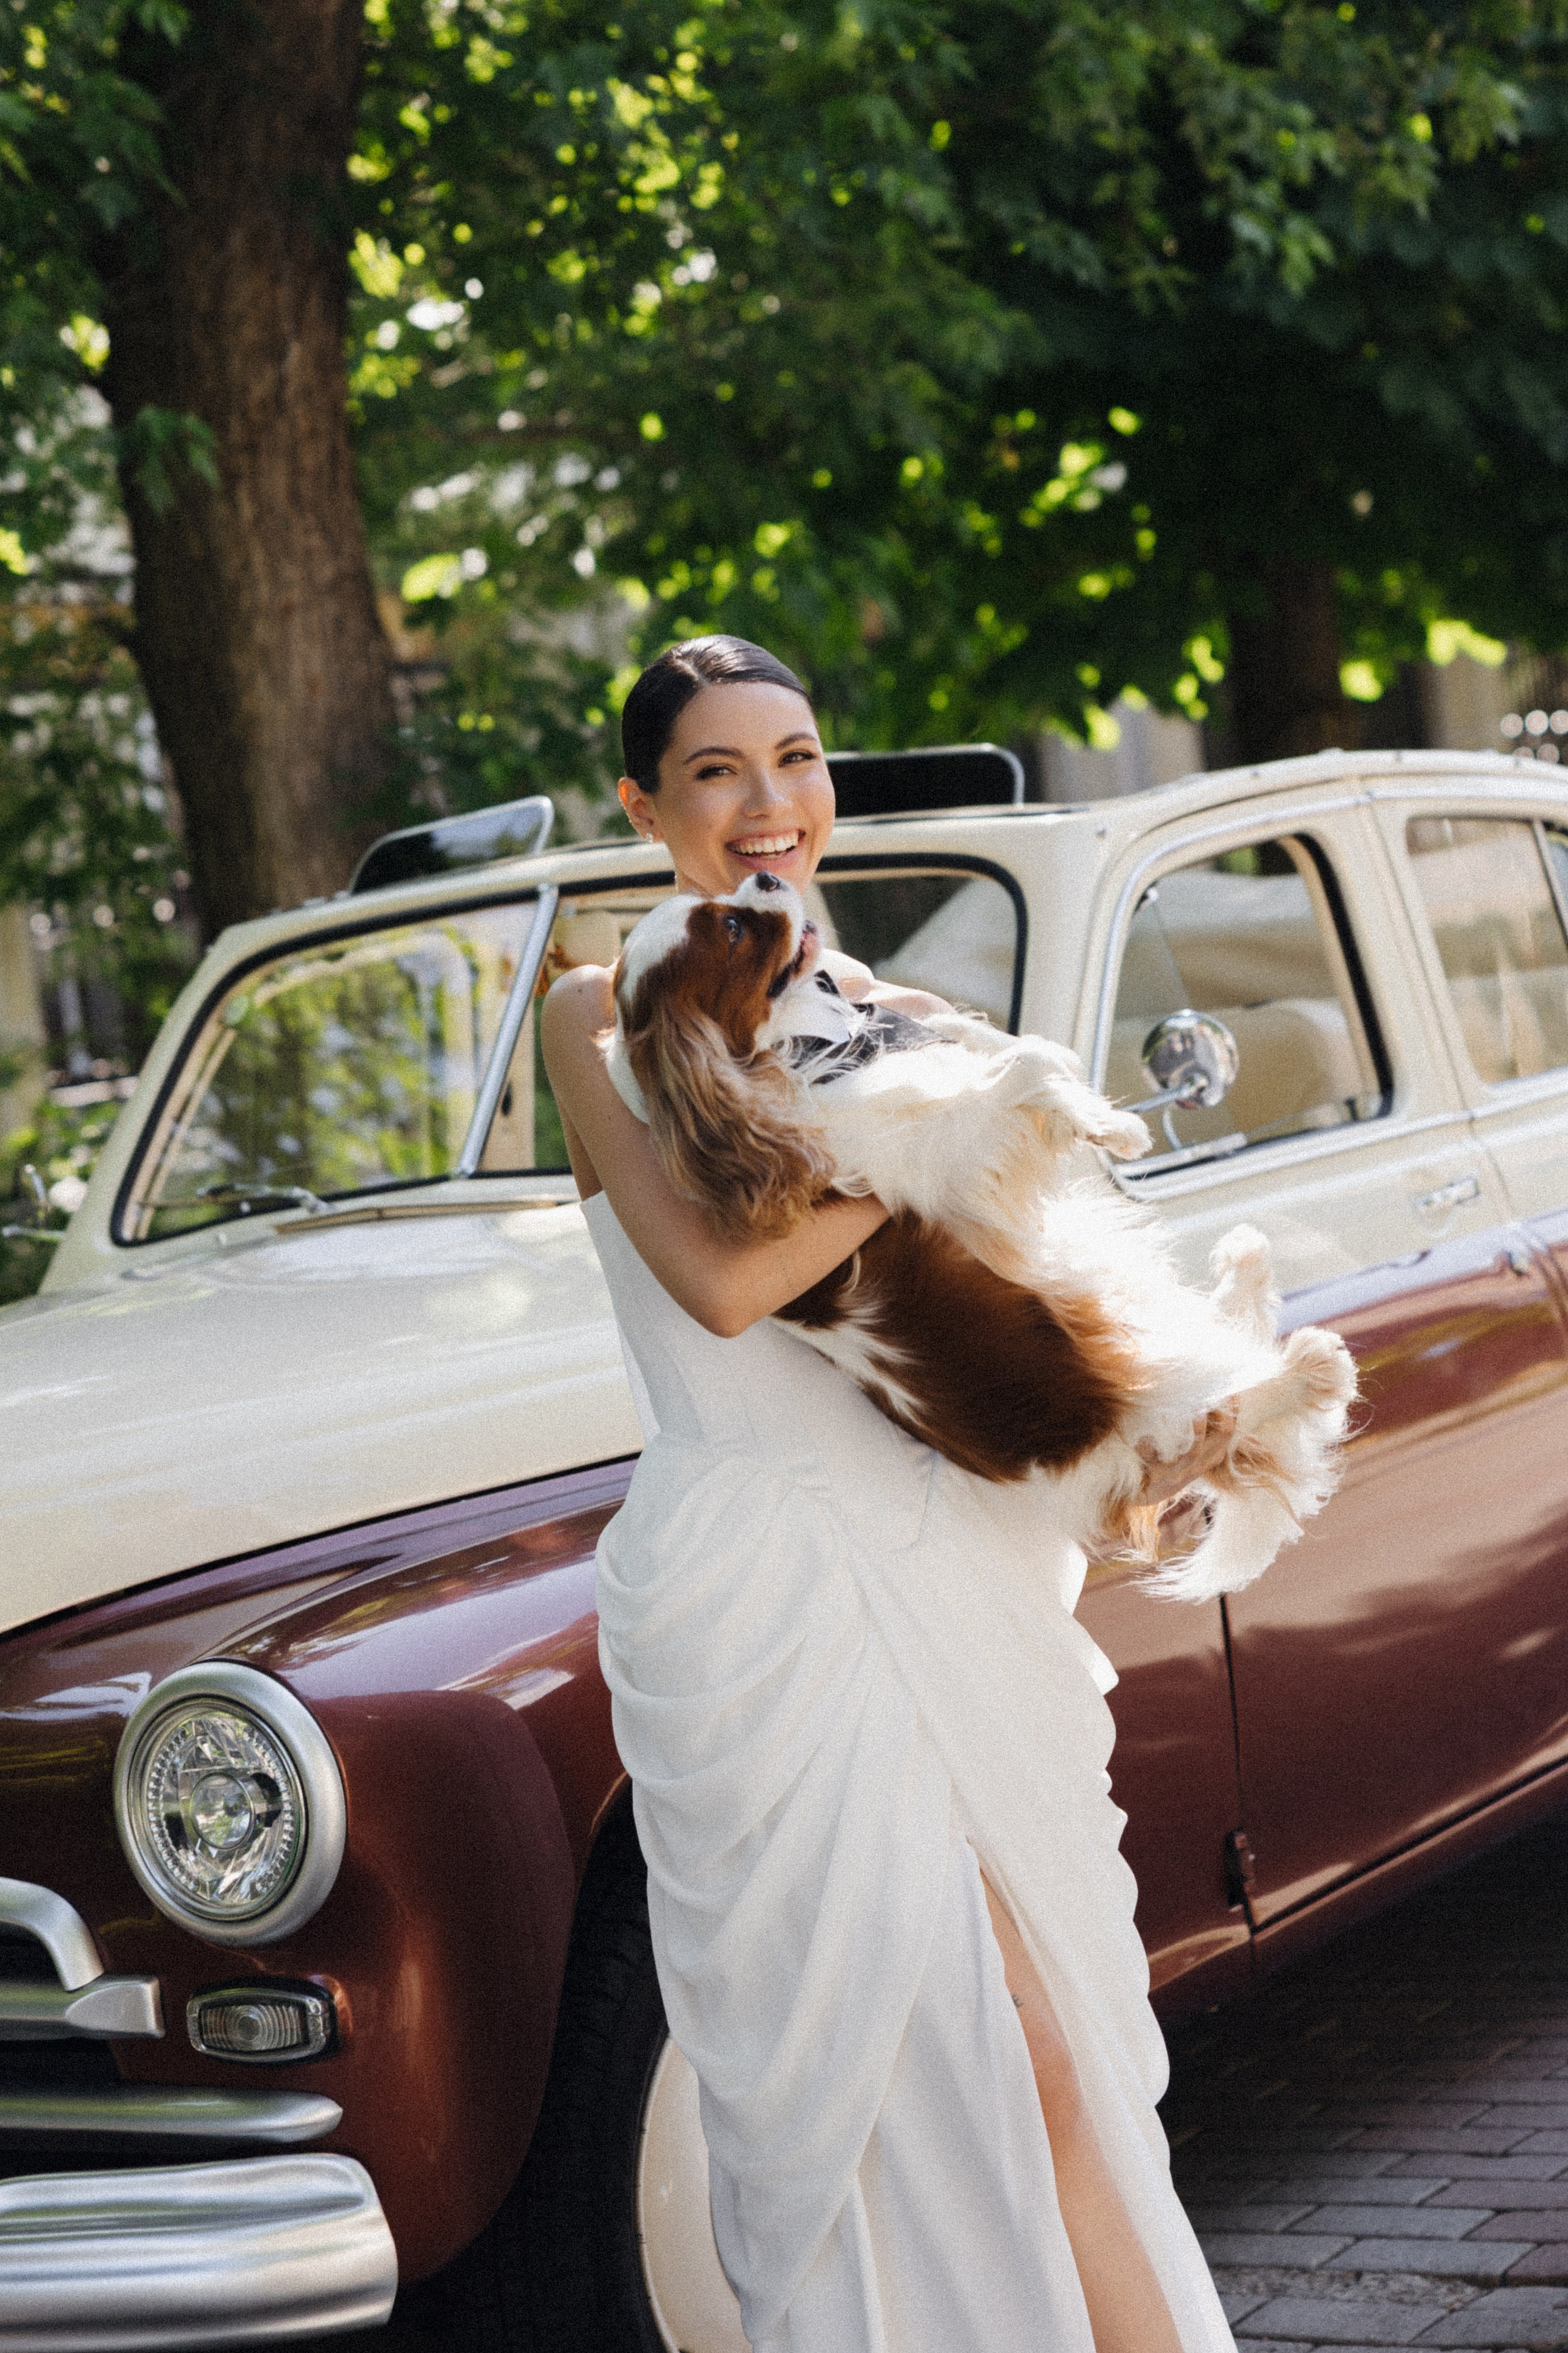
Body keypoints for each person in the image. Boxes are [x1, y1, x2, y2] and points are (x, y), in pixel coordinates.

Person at [541, 634, 1240, 2353]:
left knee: (1054, 2051)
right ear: (646, 806)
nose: (768, 803)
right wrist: (949, 1143)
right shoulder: (592, 1014)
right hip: (764, 1592)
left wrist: (1141, 1478)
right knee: (883, 2084)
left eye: (798, 758)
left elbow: (998, 1341)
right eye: (717, 771)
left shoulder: (920, 1032)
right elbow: (718, 1279)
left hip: (949, 1574)